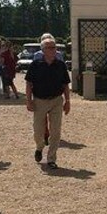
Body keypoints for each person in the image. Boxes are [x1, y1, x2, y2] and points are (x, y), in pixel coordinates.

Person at [25, 35, 71, 169]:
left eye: (54, 47)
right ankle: (39, 147)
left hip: (56, 100)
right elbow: (29, 84)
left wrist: (67, 101)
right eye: (50, 48)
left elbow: (65, 85)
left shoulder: (60, 65)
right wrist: (28, 101)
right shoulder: (36, 65)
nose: (53, 50)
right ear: (43, 50)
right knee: (38, 130)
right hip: (40, 100)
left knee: (55, 131)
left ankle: (51, 158)